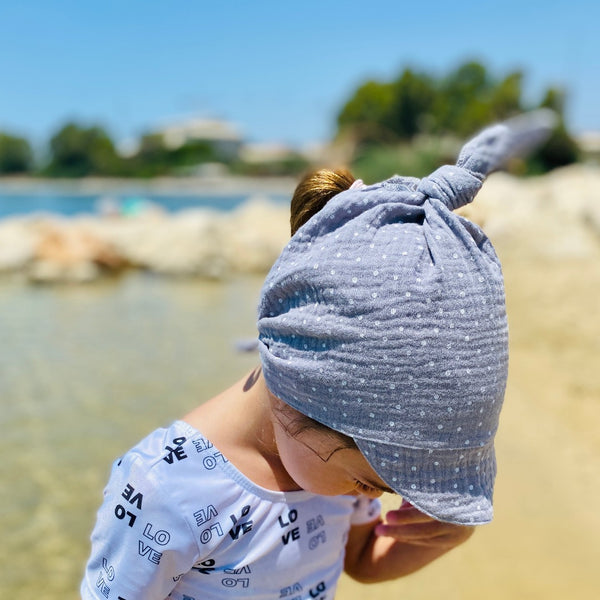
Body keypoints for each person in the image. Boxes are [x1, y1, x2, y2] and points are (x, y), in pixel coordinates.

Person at [81, 111, 555, 600]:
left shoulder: (338, 462)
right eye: (371, 482)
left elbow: (360, 561)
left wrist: (441, 537)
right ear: (301, 392)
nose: (373, 495)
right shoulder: (165, 490)